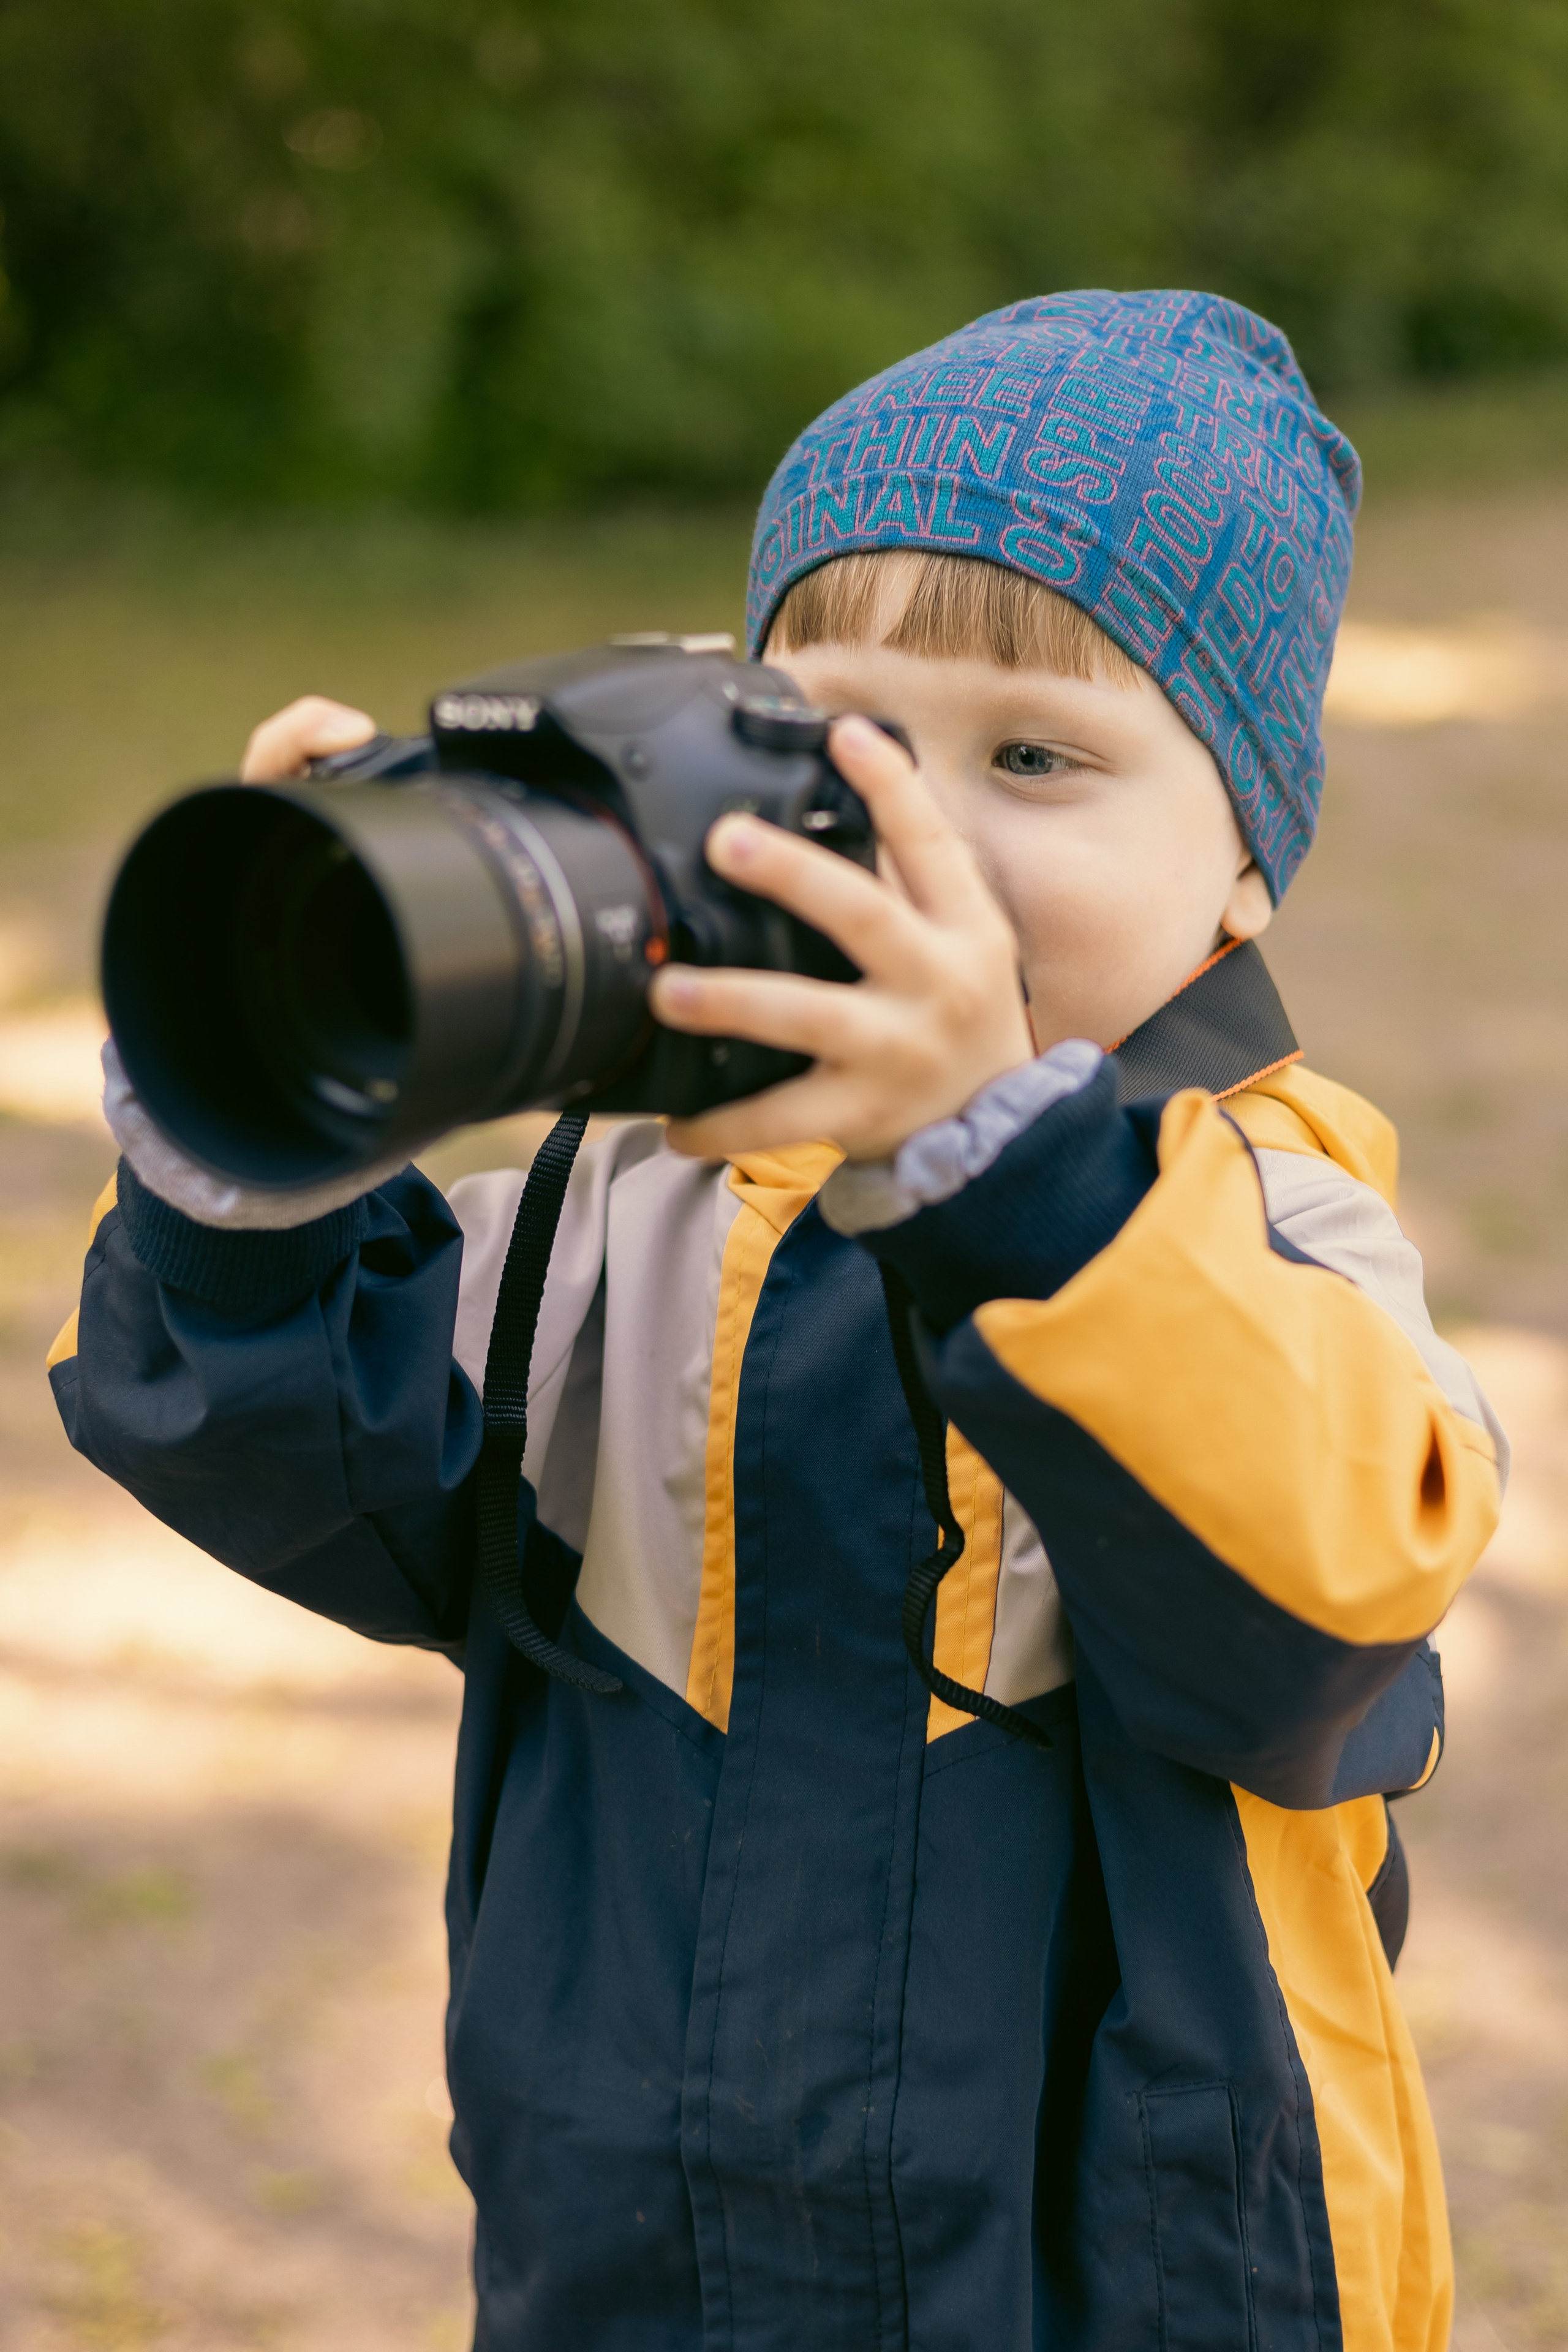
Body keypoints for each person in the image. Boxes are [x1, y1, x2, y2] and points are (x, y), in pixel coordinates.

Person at [50, 291, 1504, 2351]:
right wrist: (275, 1119)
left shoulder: (1265, 1217)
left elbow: (1302, 1621)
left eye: (1034, 758)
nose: (915, 838)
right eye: (839, 750)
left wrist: (1006, 1180)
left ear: (1244, 874)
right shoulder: (624, 1202)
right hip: (641, 2263)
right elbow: (322, 1471)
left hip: (1126, 2280)